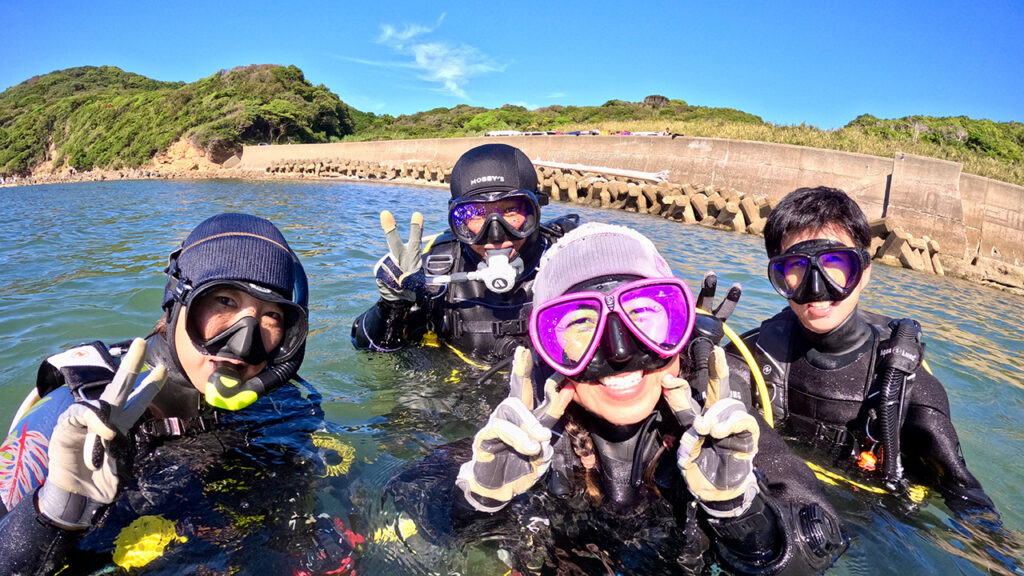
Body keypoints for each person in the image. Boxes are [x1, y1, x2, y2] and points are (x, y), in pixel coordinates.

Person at [386, 223, 847, 575]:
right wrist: (478, 502)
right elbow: (403, 503)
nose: (621, 354)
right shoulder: (527, 433)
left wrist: (739, 513)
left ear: (680, 327)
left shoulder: (720, 430)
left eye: (643, 316)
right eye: (580, 325)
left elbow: (821, 542)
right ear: (546, 348)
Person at [0, 213, 358, 574]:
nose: (244, 342)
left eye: (271, 317)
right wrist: (56, 512)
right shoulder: (76, 413)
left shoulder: (282, 400)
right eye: (224, 300)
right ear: (177, 299)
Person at [730, 186, 996, 515]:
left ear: (864, 272)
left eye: (835, 263)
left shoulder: (903, 381)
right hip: (783, 506)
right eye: (795, 268)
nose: (816, 289)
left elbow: (967, 500)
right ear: (779, 276)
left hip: (877, 519)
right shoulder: (753, 355)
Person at [351, 143, 579, 365]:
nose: (496, 236)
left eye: (510, 211)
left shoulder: (570, 262)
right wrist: (392, 306)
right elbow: (371, 350)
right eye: (476, 214)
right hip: (453, 394)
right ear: (457, 223)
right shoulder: (434, 273)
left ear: (535, 211)